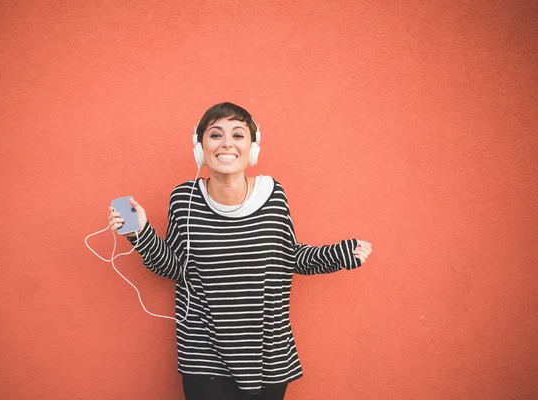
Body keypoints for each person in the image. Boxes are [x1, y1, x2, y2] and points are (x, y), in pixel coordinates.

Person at [107, 102, 372, 400]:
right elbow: (176, 268)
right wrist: (138, 233)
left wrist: (339, 254)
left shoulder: (274, 195)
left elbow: (291, 256)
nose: (226, 144)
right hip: (203, 354)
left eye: (238, 135)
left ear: (253, 148)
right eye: (215, 135)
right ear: (200, 147)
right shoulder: (185, 198)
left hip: (267, 354)